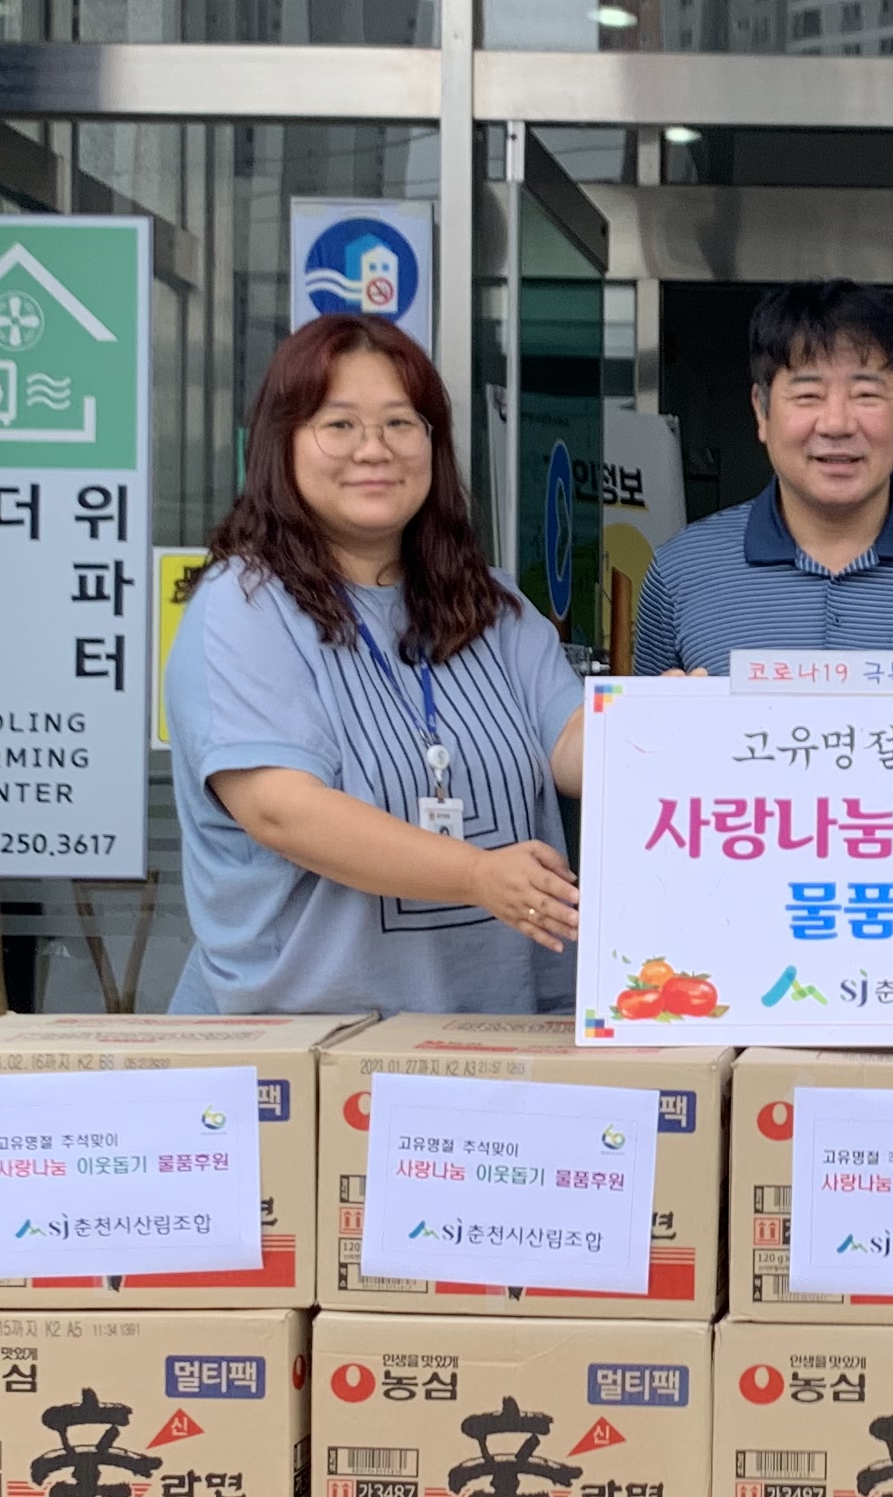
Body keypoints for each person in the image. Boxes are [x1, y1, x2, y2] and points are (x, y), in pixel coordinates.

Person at [164, 312, 586, 1015]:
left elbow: (569, 741)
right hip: (304, 1045)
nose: (374, 449)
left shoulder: (495, 604)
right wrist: (475, 874)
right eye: (339, 425)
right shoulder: (244, 605)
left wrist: (663, 730)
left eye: (400, 423)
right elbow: (283, 811)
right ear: (281, 442)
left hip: (491, 1029)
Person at [630, 282, 893, 669]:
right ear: (761, 412)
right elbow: (637, 717)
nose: (837, 424)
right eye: (808, 395)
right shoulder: (680, 571)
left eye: (866, 395)